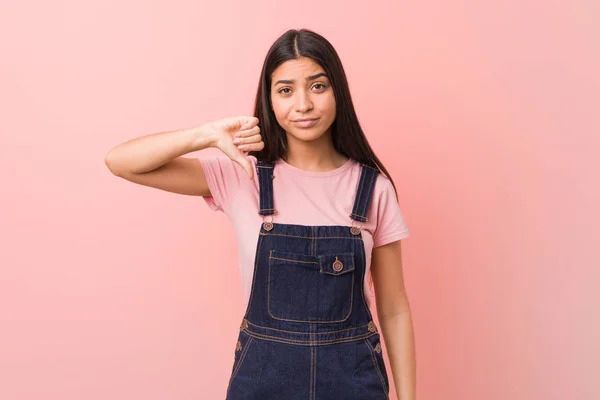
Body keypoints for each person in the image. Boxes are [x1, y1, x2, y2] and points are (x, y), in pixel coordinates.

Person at [105, 28, 416, 400]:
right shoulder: (242, 175)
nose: (303, 104)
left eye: (317, 86)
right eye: (285, 90)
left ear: (338, 92)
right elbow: (121, 162)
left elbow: (394, 307)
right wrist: (207, 134)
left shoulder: (374, 188)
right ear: (269, 100)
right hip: (264, 382)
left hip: (354, 381)